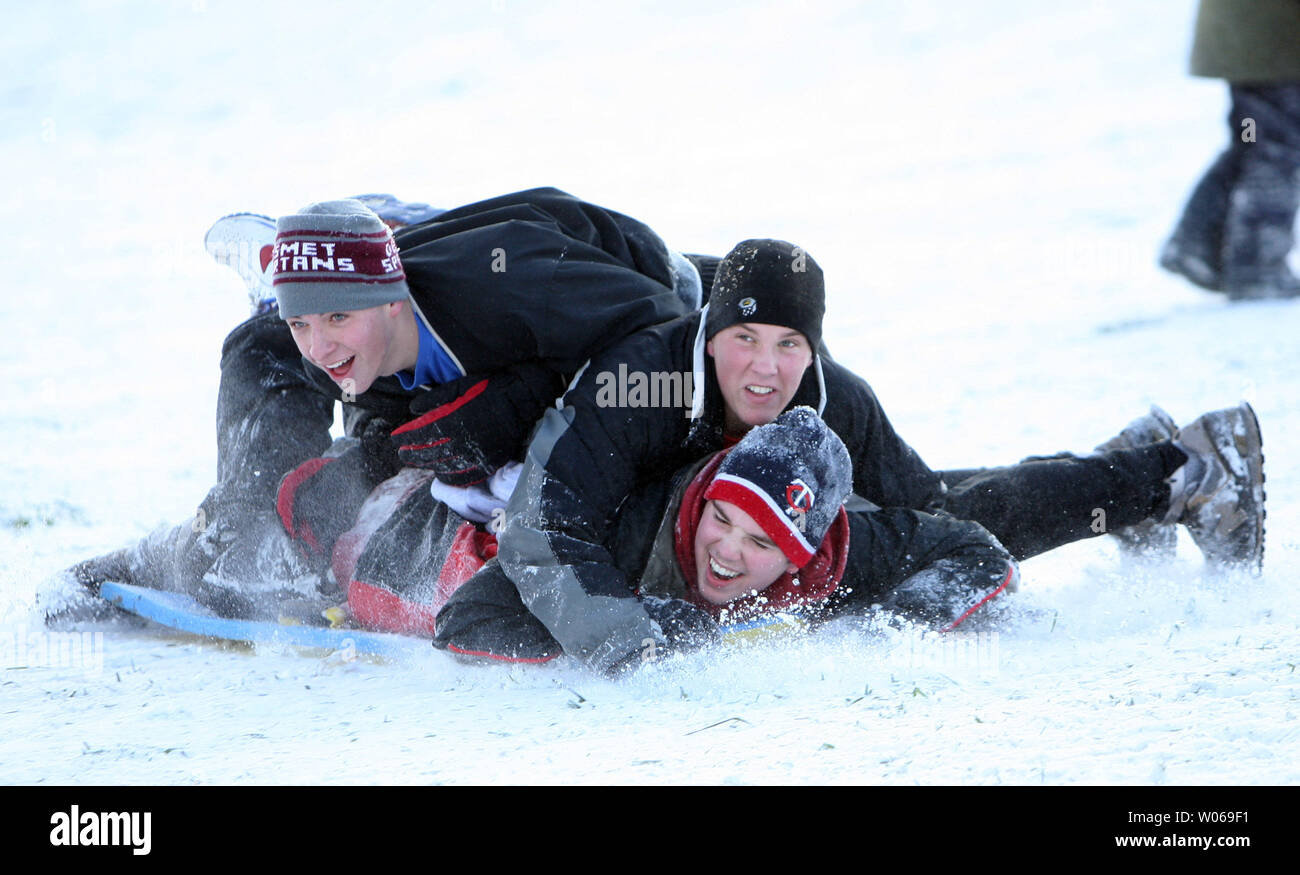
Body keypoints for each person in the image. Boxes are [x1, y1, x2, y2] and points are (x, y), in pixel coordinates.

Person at [481, 239, 1266, 674]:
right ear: (709, 336)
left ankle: (1177, 468)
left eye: (789, 344)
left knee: (951, 514)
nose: (765, 367)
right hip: (631, 524)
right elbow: (540, 532)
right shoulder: (638, 385)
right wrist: (625, 639)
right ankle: (1134, 464)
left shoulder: (831, 397)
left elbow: (934, 521)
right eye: (744, 339)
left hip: (721, 523)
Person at [47, 187, 697, 620]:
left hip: (633, 288)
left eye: (334, 315)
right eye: (308, 320)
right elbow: (324, 363)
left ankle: (384, 223)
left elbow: (663, 335)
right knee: (278, 361)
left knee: (435, 426)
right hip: (421, 332)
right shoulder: (332, 346)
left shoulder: (515, 285)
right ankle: (219, 536)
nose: (321, 342)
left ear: (392, 297)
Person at [426, 407, 1018, 669]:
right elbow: (465, 619)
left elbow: (977, 551)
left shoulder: (840, 553)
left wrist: (887, 627)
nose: (728, 550)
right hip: (453, 528)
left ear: (800, 555)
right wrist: (636, 624)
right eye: (722, 519)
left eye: (763, 544)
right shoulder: (631, 530)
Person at [1160, 0, 1300, 299]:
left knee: (1252, 139)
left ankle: (1195, 243)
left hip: (1252, 43)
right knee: (1275, 145)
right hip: (1268, 46)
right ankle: (1257, 266)